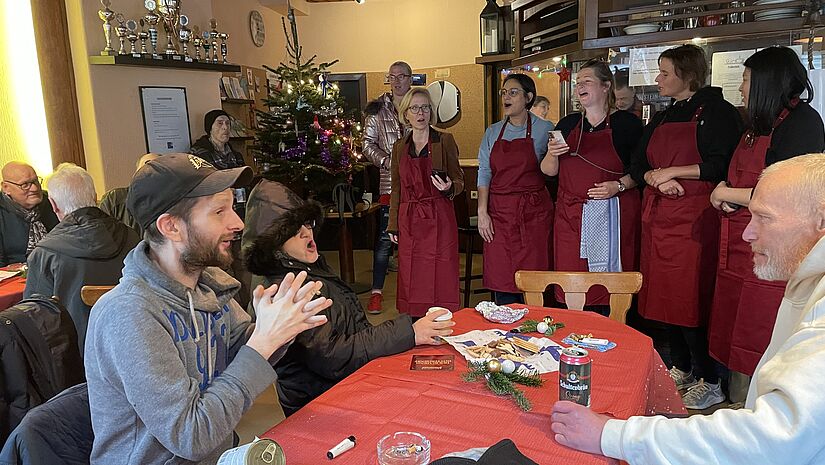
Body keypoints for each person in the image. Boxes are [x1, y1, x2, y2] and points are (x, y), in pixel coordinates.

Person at [550, 153, 825, 465]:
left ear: (821, 221)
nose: (748, 233)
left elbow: (773, 438)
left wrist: (610, 435)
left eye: (764, 217)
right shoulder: (808, 274)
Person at [84, 153, 332, 464]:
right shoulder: (129, 314)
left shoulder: (208, 283)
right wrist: (263, 342)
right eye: (219, 212)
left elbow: (245, 347)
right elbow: (192, 437)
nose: (237, 223)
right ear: (172, 227)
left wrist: (281, 325)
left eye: (232, 207)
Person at [245, 200, 454, 416]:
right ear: (274, 246)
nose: (307, 233)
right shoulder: (290, 289)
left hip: (345, 384)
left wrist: (408, 331)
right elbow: (333, 356)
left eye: (307, 225)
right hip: (321, 407)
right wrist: (409, 332)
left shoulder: (309, 270)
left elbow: (351, 332)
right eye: (293, 232)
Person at [629, 45, 743, 410]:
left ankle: (710, 377)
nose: (658, 79)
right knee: (663, 297)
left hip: (696, 220)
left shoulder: (719, 112)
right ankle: (681, 366)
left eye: (664, 72)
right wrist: (655, 179)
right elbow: (638, 163)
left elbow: (720, 164)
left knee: (692, 298)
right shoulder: (663, 116)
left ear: (687, 74)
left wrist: (674, 171)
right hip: (660, 217)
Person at [707, 47, 825, 388]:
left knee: (760, 320)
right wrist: (730, 195)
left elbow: (789, 193)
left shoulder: (802, 123)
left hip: (776, 245)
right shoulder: (758, 123)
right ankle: (730, 395)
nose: (741, 88)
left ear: (766, 81)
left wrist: (726, 193)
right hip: (741, 237)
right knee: (734, 317)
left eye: (745, 80)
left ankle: (759, 402)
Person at [541, 59, 643, 310]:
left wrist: (617, 186)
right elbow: (548, 172)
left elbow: (641, 171)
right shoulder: (567, 124)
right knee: (571, 282)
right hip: (570, 215)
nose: (580, 87)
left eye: (587, 81)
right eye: (578, 83)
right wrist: (552, 153)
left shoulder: (626, 125)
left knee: (608, 285)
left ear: (606, 86)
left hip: (611, 214)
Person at [24, 163, 140, 353]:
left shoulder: (45, 253)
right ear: (95, 197)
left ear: (53, 205)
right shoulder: (132, 237)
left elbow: (35, 319)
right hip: (133, 341)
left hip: (75, 356)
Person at [478, 73, 555, 305]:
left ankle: (538, 329)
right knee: (502, 276)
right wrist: (483, 213)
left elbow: (552, 169)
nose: (506, 97)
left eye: (513, 92)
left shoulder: (545, 128)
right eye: (504, 92)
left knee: (535, 277)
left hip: (534, 214)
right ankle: (506, 329)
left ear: (528, 97)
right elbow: (484, 172)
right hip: (499, 215)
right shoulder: (492, 132)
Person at [387, 88, 464, 317]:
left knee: (441, 273)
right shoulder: (400, 146)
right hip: (410, 218)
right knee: (412, 275)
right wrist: (393, 223)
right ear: (406, 114)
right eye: (415, 108)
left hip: (440, 215)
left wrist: (450, 187)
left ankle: (442, 326)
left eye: (425, 107)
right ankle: (415, 329)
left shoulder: (444, 140)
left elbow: (459, 179)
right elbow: (396, 187)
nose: (421, 113)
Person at [363, 61, 412, 314]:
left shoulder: (419, 104)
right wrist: (389, 162)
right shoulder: (377, 110)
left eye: (402, 76)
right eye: (392, 77)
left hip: (417, 186)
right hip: (388, 185)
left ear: (410, 78)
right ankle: (376, 293)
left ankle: (411, 292)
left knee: (413, 242)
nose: (397, 81)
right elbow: (367, 144)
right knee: (384, 240)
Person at [0, 161, 58, 266]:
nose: (34, 188)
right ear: (6, 187)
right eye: (25, 185)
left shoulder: (53, 201)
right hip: (15, 277)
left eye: (36, 181)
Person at [98, 152, 160, 234]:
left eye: (157, 168)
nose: (150, 172)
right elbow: (102, 235)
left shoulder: (175, 203)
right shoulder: (114, 200)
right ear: (135, 174)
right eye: (146, 166)